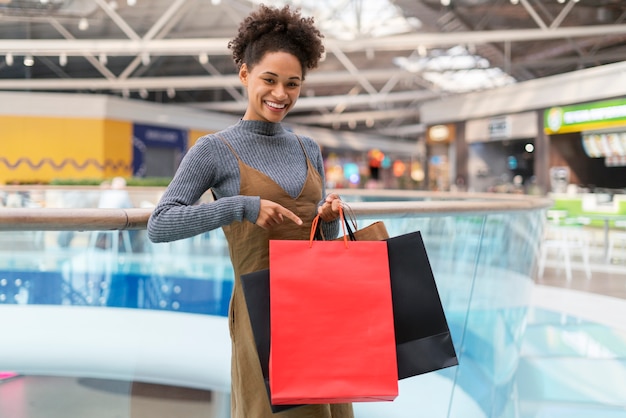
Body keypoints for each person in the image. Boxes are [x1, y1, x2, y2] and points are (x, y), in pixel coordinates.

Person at [147, 5, 348, 418]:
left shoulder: (308, 148)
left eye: (292, 84)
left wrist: (326, 220)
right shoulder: (214, 150)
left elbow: (320, 246)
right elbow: (160, 223)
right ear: (245, 74)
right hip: (264, 316)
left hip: (317, 306)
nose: (280, 94)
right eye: (269, 80)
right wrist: (241, 207)